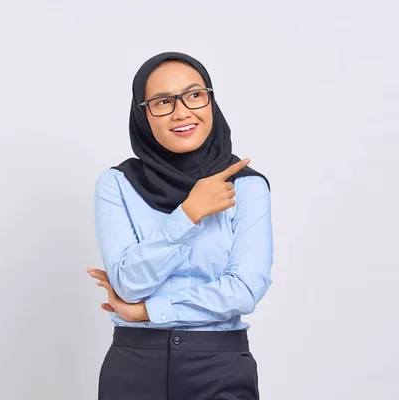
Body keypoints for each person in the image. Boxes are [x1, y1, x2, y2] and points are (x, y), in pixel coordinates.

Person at [87, 51, 273, 399]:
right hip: (134, 366)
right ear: (143, 115)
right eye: (162, 101)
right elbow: (127, 282)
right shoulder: (117, 185)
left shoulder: (248, 187)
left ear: (209, 100)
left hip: (220, 366)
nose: (181, 111)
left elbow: (245, 290)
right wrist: (189, 213)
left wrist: (146, 311)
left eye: (194, 95)